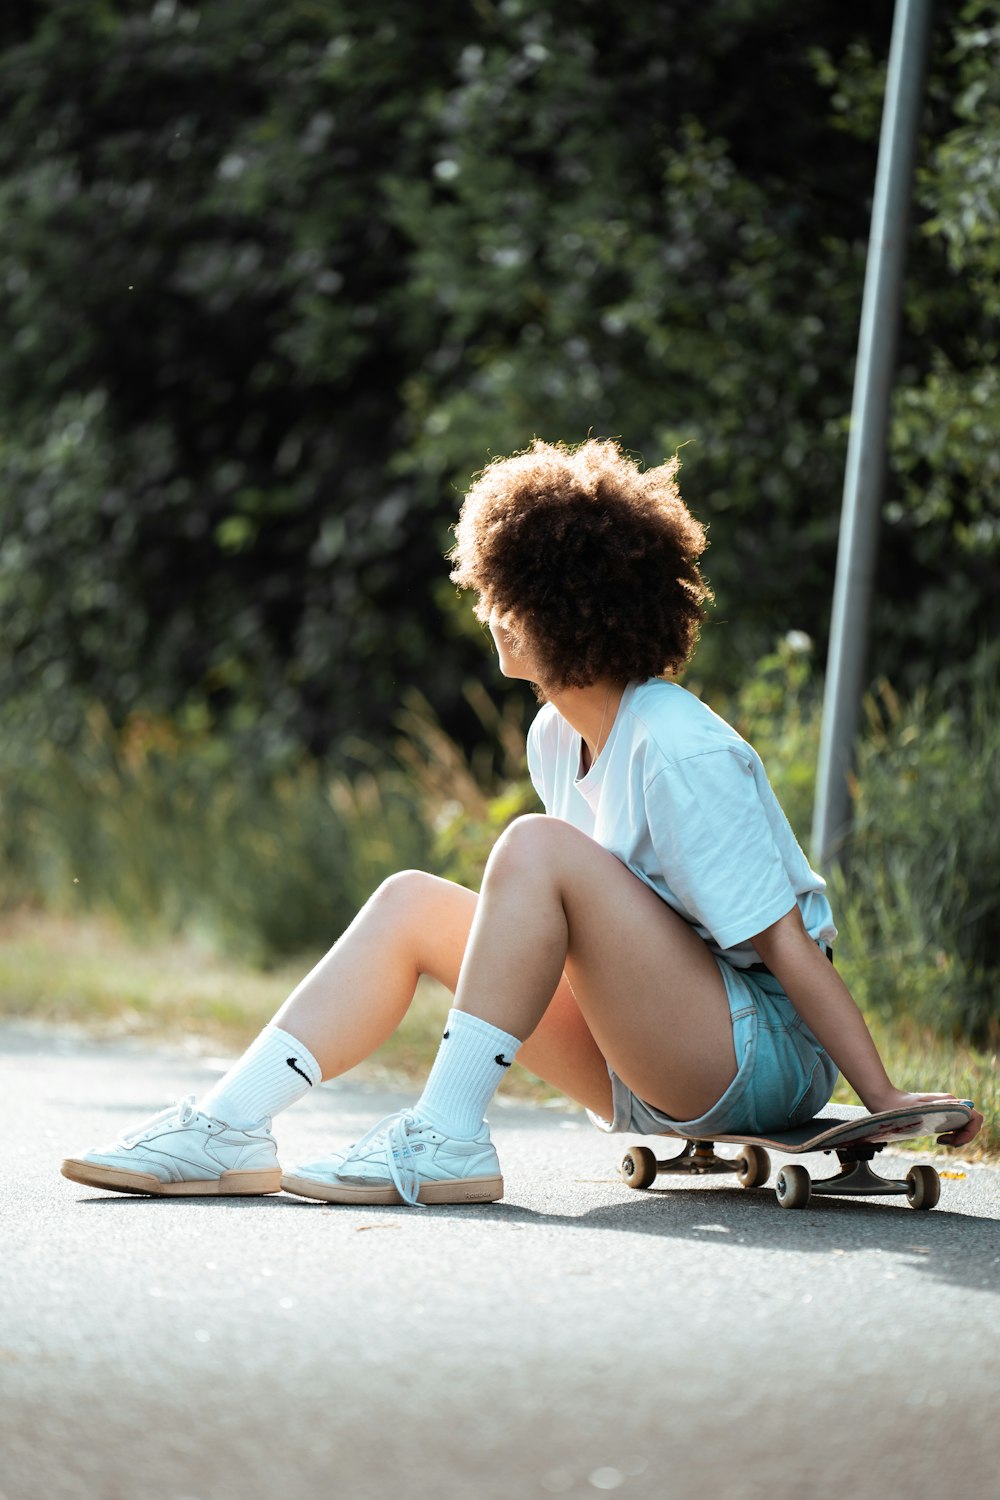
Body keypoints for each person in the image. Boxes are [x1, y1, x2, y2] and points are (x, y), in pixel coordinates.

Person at [60, 438, 982, 1204]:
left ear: (574, 609)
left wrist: (883, 1093)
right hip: (650, 1056)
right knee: (413, 901)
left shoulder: (677, 747)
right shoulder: (555, 735)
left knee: (535, 849)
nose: (489, 611)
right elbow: (569, 942)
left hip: (758, 1053)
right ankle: (227, 1127)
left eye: (512, 594)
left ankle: (446, 1138)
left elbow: (786, 947)